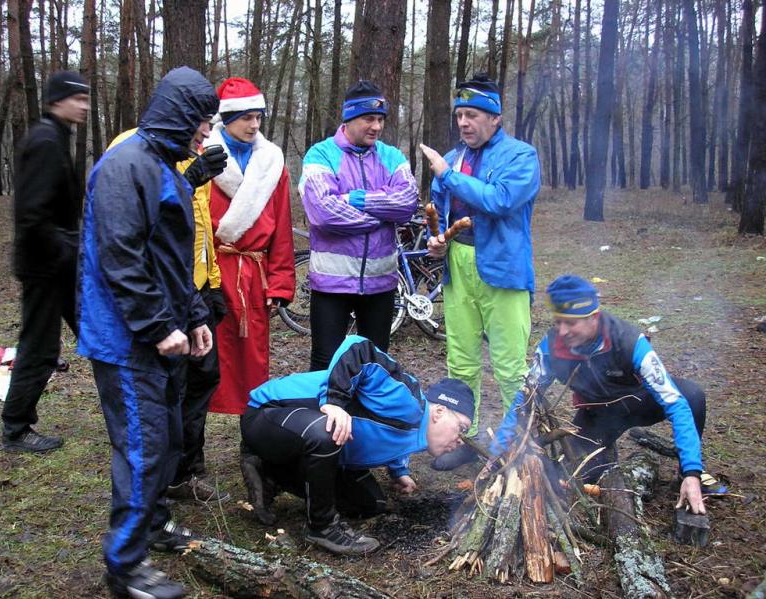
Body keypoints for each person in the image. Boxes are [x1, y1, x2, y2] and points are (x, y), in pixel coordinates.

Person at [77, 67, 219, 599]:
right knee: (143, 446)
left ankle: (153, 527)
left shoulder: (164, 165)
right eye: (202, 122)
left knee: (169, 439)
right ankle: (124, 567)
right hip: (125, 337)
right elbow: (122, 258)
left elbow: (171, 257)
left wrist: (196, 315)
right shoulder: (125, 166)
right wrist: (160, 326)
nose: (206, 134)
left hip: (163, 330)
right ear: (180, 115)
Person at [490, 274, 712, 515]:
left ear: (593, 317)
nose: (562, 331)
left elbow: (674, 403)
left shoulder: (628, 340)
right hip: (597, 416)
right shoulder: (551, 347)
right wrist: (497, 449)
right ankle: (606, 455)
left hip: (641, 403)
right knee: (572, 478)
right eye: (558, 322)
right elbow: (525, 399)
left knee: (691, 396)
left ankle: (685, 478)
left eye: (570, 323)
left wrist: (691, 471)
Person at [239, 335, 474, 556]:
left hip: (296, 438)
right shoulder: (406, 398)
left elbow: (390, 432)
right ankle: (322, 527)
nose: (460, 440)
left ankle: (269, 472)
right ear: (440, 412)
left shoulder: (417, 432)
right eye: (461, 427)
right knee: (328, 430)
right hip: (267, 413)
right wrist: (334, 402)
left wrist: (399, 471)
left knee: (370, 504)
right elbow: (358, 346)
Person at [420, 73, 541, 470]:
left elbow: (501, 200)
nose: (464, 124)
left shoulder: (520, 156)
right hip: (459, 266)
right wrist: (437, 239)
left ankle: (520, 442)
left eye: (472, 115)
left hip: (504, 269)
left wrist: (446, 174)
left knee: (509, 364)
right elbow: (441, 206)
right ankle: (464, 438)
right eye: (459, 116)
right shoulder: (454, 158)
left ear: (495, 118)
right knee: (461, 359)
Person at [106, 128, 230, 503]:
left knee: (202, 378)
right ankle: (161, 487)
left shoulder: (196, 149)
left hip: (195, 291)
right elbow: (141, 227)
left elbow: (200, 225)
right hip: (161, 295)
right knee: (167, 392)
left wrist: (212, 281)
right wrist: (186, 180)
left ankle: (186, 470)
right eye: (200, 121)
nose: (207, 130)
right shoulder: (130, 149)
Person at [299, 80, 419, 371]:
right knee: (325, 364)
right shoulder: (321, 154)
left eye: (380, 120)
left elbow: (407, 202)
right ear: (349, 119)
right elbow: (323, 213)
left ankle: (364, 417)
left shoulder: (391, 156)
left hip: (381, 282)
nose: (376, 127)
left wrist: (355, 199)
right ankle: (322, 417)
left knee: (375, 364)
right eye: (369, 119)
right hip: (332, 283)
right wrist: (382, 214)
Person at [2, 71, 90, 453]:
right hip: (45, 266)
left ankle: (128, 404)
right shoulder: (44, 140)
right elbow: (32, 214)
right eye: (78, 98)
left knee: (94, 329)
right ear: (57, 101)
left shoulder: (55, 136)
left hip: (59, 262)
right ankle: (16, 428)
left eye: (87, 98)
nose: (85, 105)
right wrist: (65, 251)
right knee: (40, 347)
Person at [202, 77, 295, 415]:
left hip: (253, 274)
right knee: (206, 359)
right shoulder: (203, 157)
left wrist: (281, 282)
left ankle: (253, 438)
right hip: (212, 272)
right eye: (246, 117)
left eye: (258, 117)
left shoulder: (272, 162)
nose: (254, 125)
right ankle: (191, 448)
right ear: (226, 119)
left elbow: (282, 228)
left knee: (254, 361)